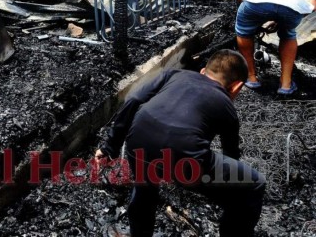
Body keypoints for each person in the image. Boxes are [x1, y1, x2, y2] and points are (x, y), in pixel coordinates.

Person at [95, 49, 265, 237]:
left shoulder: (174, 74)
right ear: (236, 87)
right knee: (254, 185)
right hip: (185, 155)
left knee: (144, 191)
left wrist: (110, 146)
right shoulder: (227, 107)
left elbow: (134, 99)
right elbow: (230, 155)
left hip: (139, 139)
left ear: (203, 71)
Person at [234, 0, 316, 94]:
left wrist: (253, 19)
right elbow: (312, 4)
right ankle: (285, 85)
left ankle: (251, 78)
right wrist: (286, 20)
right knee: (289, 34)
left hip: (255, 2)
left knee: (243, 31)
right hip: (292, 6)